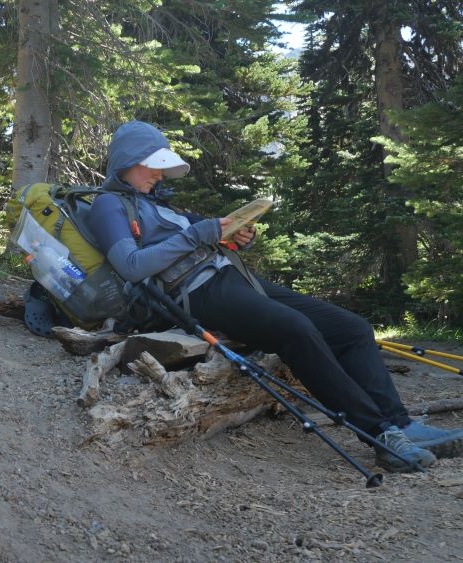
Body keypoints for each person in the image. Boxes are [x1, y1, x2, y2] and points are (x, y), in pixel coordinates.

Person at [86, 120, 463, 472]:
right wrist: (200, 233)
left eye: (161, 167)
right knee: (295, 329)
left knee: (352, 328)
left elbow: (192, 242)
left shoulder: (156, 203)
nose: (158, 174)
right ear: (126, 162)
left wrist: (233, 236)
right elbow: (131, 265)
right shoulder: (108, 204)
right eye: (151, 166)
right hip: (196, 293)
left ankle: (402, 422)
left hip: (235, 276)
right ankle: (380, 433)